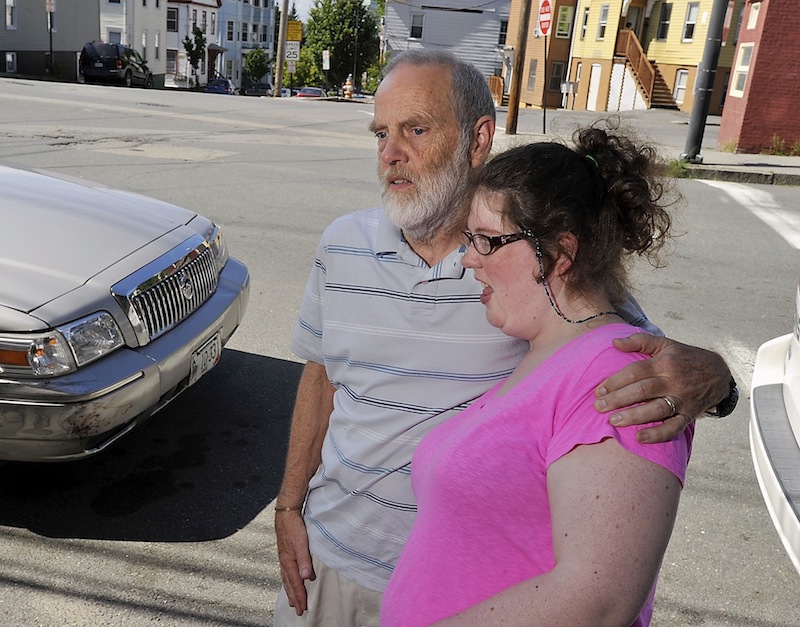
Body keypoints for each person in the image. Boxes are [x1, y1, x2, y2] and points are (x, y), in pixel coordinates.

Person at [274, 50, 736, 627]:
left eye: (415, 129)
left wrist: (717, 376)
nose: (391, 154)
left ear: (477, 139)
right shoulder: (341, 245)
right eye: (381, 134)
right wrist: (289, 505)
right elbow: (321, 374)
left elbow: (629, 351)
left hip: (472, 589)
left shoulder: (520, 270)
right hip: (328, 561)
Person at [381, 128, 690, 626]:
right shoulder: (545, 355)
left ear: (559, 254)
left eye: (486, 240)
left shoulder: (618, 382)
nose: (469, 260)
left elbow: (598, 598)